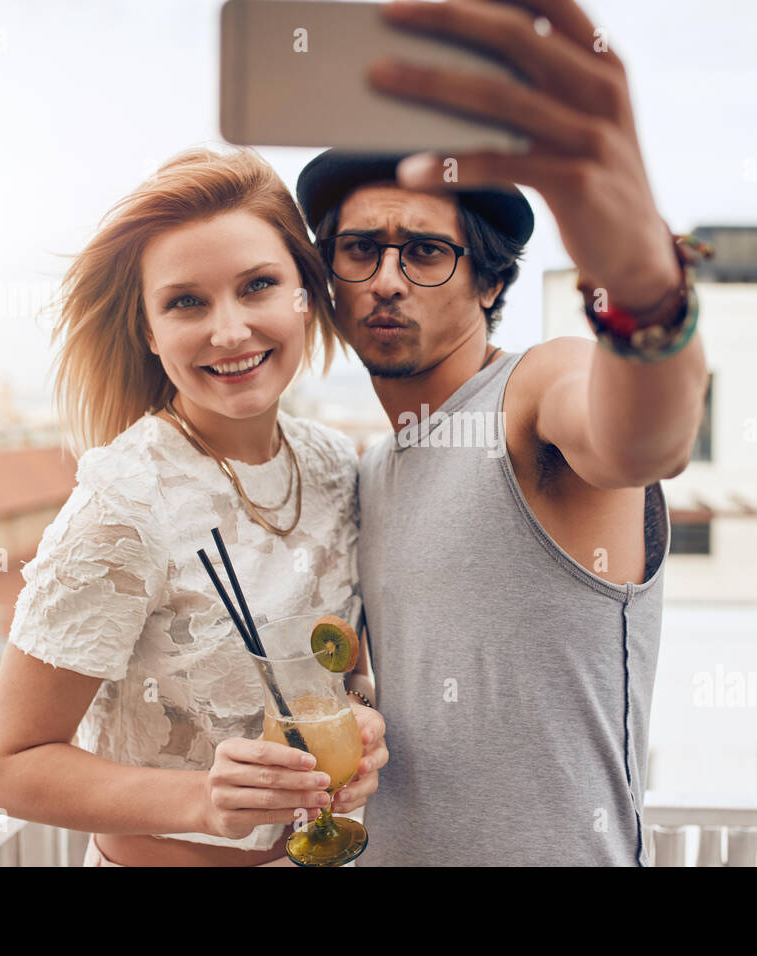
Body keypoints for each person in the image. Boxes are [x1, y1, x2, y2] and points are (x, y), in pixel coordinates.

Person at [292, 0, 708, 865]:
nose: (388, 279)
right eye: (360, 249)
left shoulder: (532, 392)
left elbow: (644, 443)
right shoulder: (371, 473)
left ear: (488, 282)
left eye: (427, 251)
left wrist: (642, 287)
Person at [0, 146, 387, 867]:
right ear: (148, 329)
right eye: (186, 301)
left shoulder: (331, 465)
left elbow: (328, 672)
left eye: (258, 285)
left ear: (306, 294)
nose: (228, 331)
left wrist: (361, 723)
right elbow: (9, 767)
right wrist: (202, 801)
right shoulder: (125, 501)